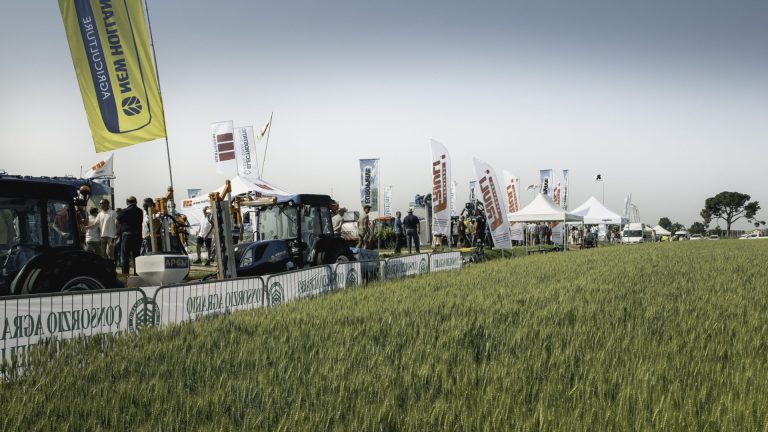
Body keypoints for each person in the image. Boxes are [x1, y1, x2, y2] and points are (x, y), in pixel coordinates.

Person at [117, 197, 144, 275]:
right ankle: (137, 274)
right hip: (137, 235)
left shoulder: (124, 211)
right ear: (136, 202)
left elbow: (117, 221)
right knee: (136, 255)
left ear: (127, 202)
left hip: (127, 235)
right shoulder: (140, 211)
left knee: (125, 256)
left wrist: (118, 233)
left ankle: (125, 274)